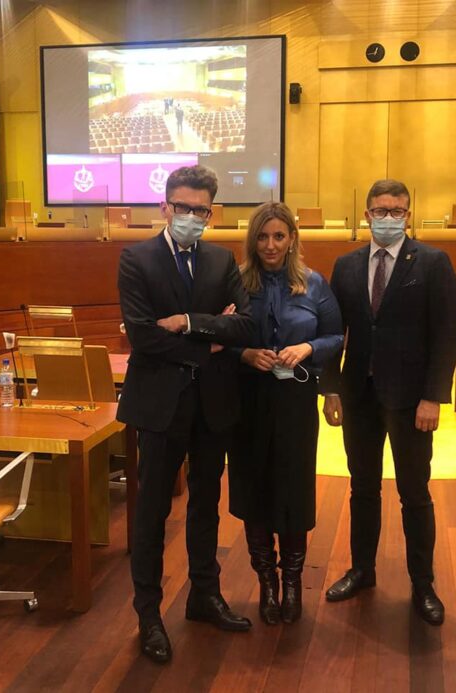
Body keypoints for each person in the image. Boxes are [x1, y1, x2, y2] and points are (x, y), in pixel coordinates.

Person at [117, 165, 255, 664]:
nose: (192, 216)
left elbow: (246, 325)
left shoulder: (221, 259)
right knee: (152, 511)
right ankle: (148, 614)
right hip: (159, 405)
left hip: (212, 404)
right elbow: (143, 337)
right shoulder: (136, 259)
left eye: (201, 210)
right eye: (183, 207)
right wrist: (210, 341)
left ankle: (204, 594)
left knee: (205, 503)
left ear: (211, 213)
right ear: (165, 207)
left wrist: (189, 323)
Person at [322, 179, 456, 626]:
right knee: (362, 487)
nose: (388, 218)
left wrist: (433, 398)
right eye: (380, 211)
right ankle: (362, 570)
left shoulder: (434, 262)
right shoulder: (346, 265)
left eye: (397, 211)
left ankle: (423, 584)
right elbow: (332, 332)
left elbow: (447, 335)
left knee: (414, 493)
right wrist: (331, 388)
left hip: (411, 401)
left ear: (408, 215)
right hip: (359, 396)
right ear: (367, 215)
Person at [228, 202, 343, 625]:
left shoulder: (314, 284)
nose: (271, 245)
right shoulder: (236, 283)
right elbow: (218, 337)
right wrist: (245, 354)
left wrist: (308, 347)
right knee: (253, 487)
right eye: (262, 237)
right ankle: (267, 583)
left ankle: (292, 581)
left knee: (293, 489)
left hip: (296, 400)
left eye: (279, 236)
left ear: (292, 238)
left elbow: (336, 336)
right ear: (252, 241)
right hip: (248, 401)